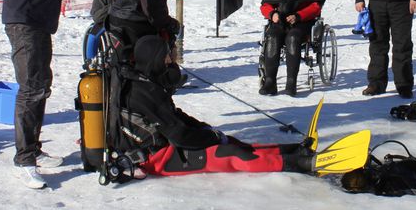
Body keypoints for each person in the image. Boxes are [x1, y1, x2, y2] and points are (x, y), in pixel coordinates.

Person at [2, 0, 136, 189]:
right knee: (31, 88)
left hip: (36, 20)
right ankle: (24, 159)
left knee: (41, 85)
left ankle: (32, 149)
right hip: (25, 20)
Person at [120, 36, 314, 177]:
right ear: (153, 60)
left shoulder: (147, 83)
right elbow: (178, 135)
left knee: (232, 143)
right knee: (232, 154)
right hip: (158, 157)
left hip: (168, 145)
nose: (170, 63)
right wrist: (207, 137)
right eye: (166, 59)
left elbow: (173, 117)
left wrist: (203, 129)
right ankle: (301, 163)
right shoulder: (144, 92)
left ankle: (293, 150)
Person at [258, 0, 323, 97]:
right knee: (273, 36)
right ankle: (270, 82)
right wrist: (272, 14)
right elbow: (265, 5)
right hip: (280, 23)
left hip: (302, 24)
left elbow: (315, 7)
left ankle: (291, 82)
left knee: (293, 37)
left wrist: (299, 15)